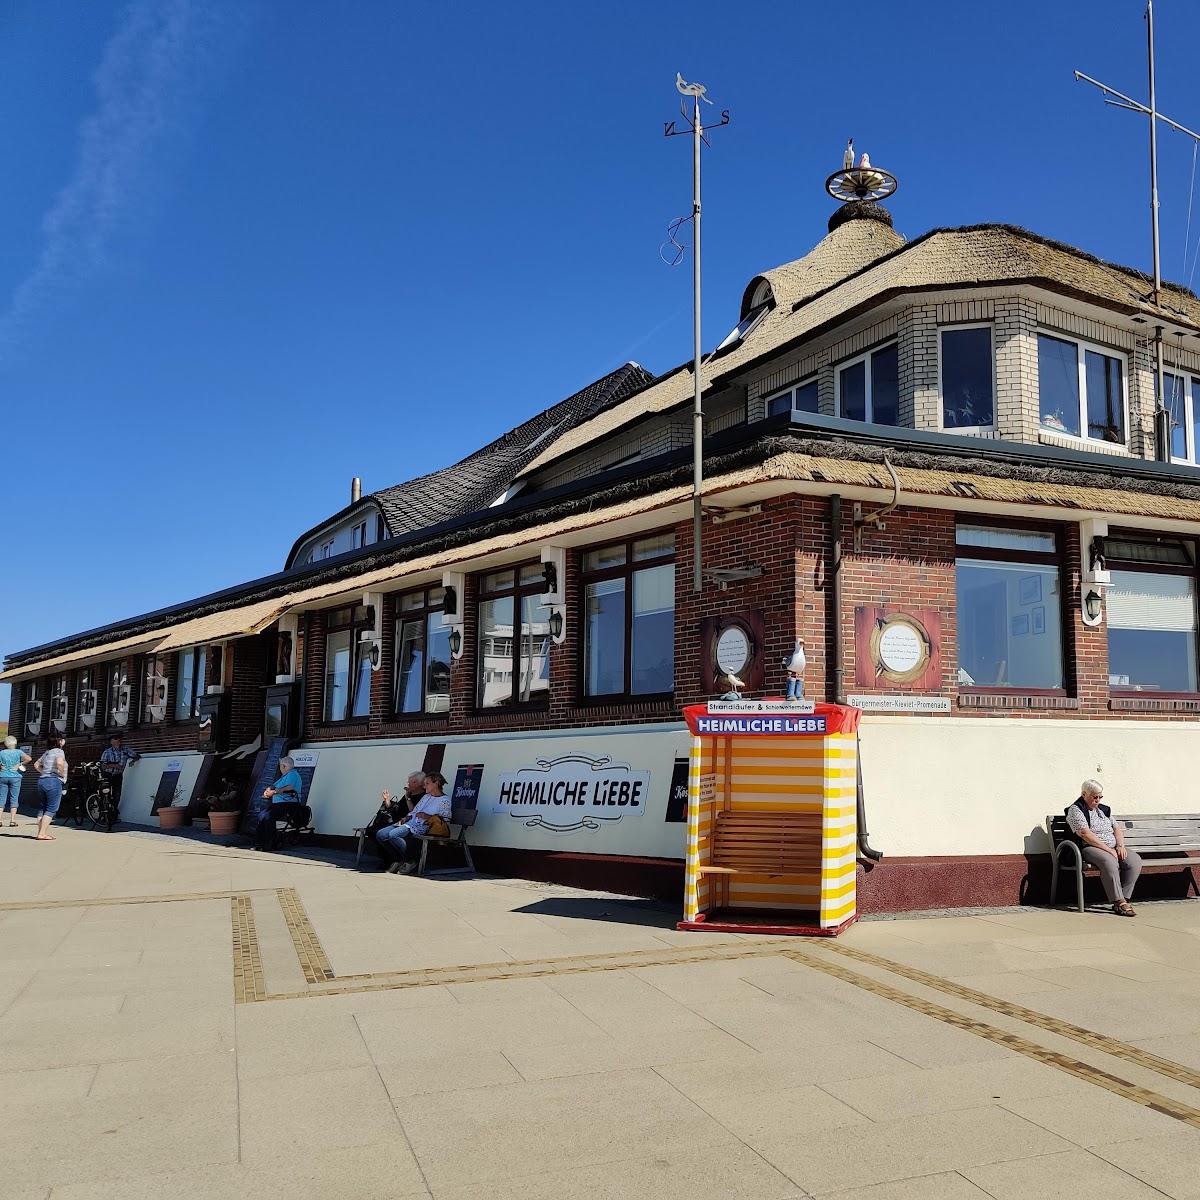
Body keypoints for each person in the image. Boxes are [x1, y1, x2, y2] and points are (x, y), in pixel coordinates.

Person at [1067, 779, 1143, 917]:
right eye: (1094, 797)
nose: (1098, 800)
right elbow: (1085, 834)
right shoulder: (1076, 810)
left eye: (1100, 797)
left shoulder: (1103, 809)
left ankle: (1123, 899)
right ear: (1084, 794)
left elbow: (1116, 828)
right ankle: (1119, 901)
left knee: (1134, 861)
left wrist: (1120, 846)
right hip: (1090, 848)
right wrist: (1108, 850)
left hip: (1112, 847)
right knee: (1109, 861)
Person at [375, 770, 451, 875]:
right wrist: (406, 818)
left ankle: (411, 860)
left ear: (436, 783)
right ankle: (398, 859)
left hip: (422, 826)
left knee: (392, 835)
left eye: (427, 784)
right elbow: (414, 811)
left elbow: (445, 819)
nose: (424, 787)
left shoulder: (445, 800)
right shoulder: (426, 797)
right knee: (381, 834)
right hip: (410, 823)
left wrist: (427, 816)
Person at [366, 771, 425, 868]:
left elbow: (414, 812)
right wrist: (387, 801)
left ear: (417, 783)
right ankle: (390, 859)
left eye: (409, 782)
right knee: (372, 831)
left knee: (381, 833)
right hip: (396, 821)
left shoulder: (423, 797)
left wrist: (408, 798)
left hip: (407, 823)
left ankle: (397, 859)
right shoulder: (409, 794)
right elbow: (396, 809)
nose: (407, 784)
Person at [253, 756, 304, 851]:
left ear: (284, 766)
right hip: (279, 803)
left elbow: (289, 787)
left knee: (268, 817)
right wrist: (268, 790)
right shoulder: (285, 776)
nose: (280, 768)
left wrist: (275, 792)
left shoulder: (292, 774)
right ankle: (259, 843)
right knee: (261, 816)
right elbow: (273, 786)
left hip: (288, 804)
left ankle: (270, 843)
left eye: (280, 766)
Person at [32, 734, 68, 842]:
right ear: (59, 741)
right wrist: (61, 774)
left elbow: (36, 764)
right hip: (53, 781)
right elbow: (59, 763)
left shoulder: (47, 752)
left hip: (42, 780)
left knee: (43, 807)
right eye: (62, 739)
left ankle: (40, 832)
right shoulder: (59, 751)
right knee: (52, 808)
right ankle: (42, 834)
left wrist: (44, 772)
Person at [99, 732, 140, 822]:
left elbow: (136, 755)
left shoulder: (125, 750)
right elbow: (103, 766)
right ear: (111, 741)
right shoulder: (107, 752)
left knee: (117, 794)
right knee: (106, 794)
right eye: (115, 738)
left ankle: (113, 811)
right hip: (108, 775)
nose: (118, 740)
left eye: (119, 738)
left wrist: (133, 761)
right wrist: (114, 765)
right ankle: (104, 812)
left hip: (118, 775)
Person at [0, 735, 32, 828]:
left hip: (3, 776)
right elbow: (29, 759)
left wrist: (1, 766)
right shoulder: (18, 752)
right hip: (15, 777)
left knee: (2, 798)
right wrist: (20, 764)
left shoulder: (1, 752)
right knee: (14, 797)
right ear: (15, 743)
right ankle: (12, 821)